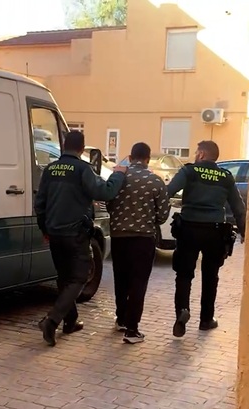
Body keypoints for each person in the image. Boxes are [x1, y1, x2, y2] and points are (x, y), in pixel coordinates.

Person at [34, 130, 127, 346]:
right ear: (82, 149)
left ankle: (70, 321)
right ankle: (52, 320)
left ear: (64, 146)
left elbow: (40, 204)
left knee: (64, 278)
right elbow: (105, 192)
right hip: (75, 234)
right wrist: (118, 175)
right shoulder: (82, 169)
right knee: (79, 278)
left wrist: (45, 229)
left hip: (54, 233)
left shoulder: (50, 169)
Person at [166, 140, 246, 338]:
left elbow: (168, 192)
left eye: (196, 152)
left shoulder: (189, 171)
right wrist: (243, 231)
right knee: (211, 275)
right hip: (215, 231)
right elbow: (238, 207)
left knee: (184, 274)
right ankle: (206, 319)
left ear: (201, 154)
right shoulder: (225, 176)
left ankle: (182, 311)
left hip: (189, 228)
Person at [106, 142, 170, 344]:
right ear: (148, 159)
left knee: (121, 279)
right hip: (143, 239)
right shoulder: (155, 181)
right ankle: (132, 330)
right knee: (138, 282)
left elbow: (109, 203)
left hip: (119, 237)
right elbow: (163, 214)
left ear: (130, 157)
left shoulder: (118, 177)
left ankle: (121, 319)